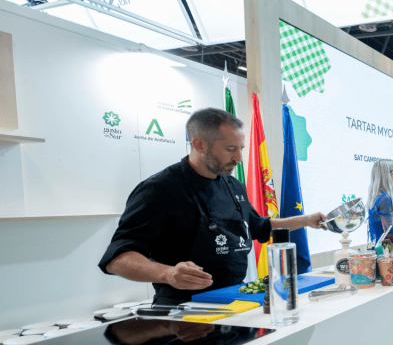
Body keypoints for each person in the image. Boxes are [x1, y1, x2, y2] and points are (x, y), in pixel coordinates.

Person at [99, 108, 326, 306]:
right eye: (230, 149)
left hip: (236, 300)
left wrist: (306, 220)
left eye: (241, 148)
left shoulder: (234, 185)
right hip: (184, 310)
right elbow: (117, 258)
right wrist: (168, 273)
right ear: (199, 144)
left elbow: (259, 226)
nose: (238, 157)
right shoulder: (159, 189)